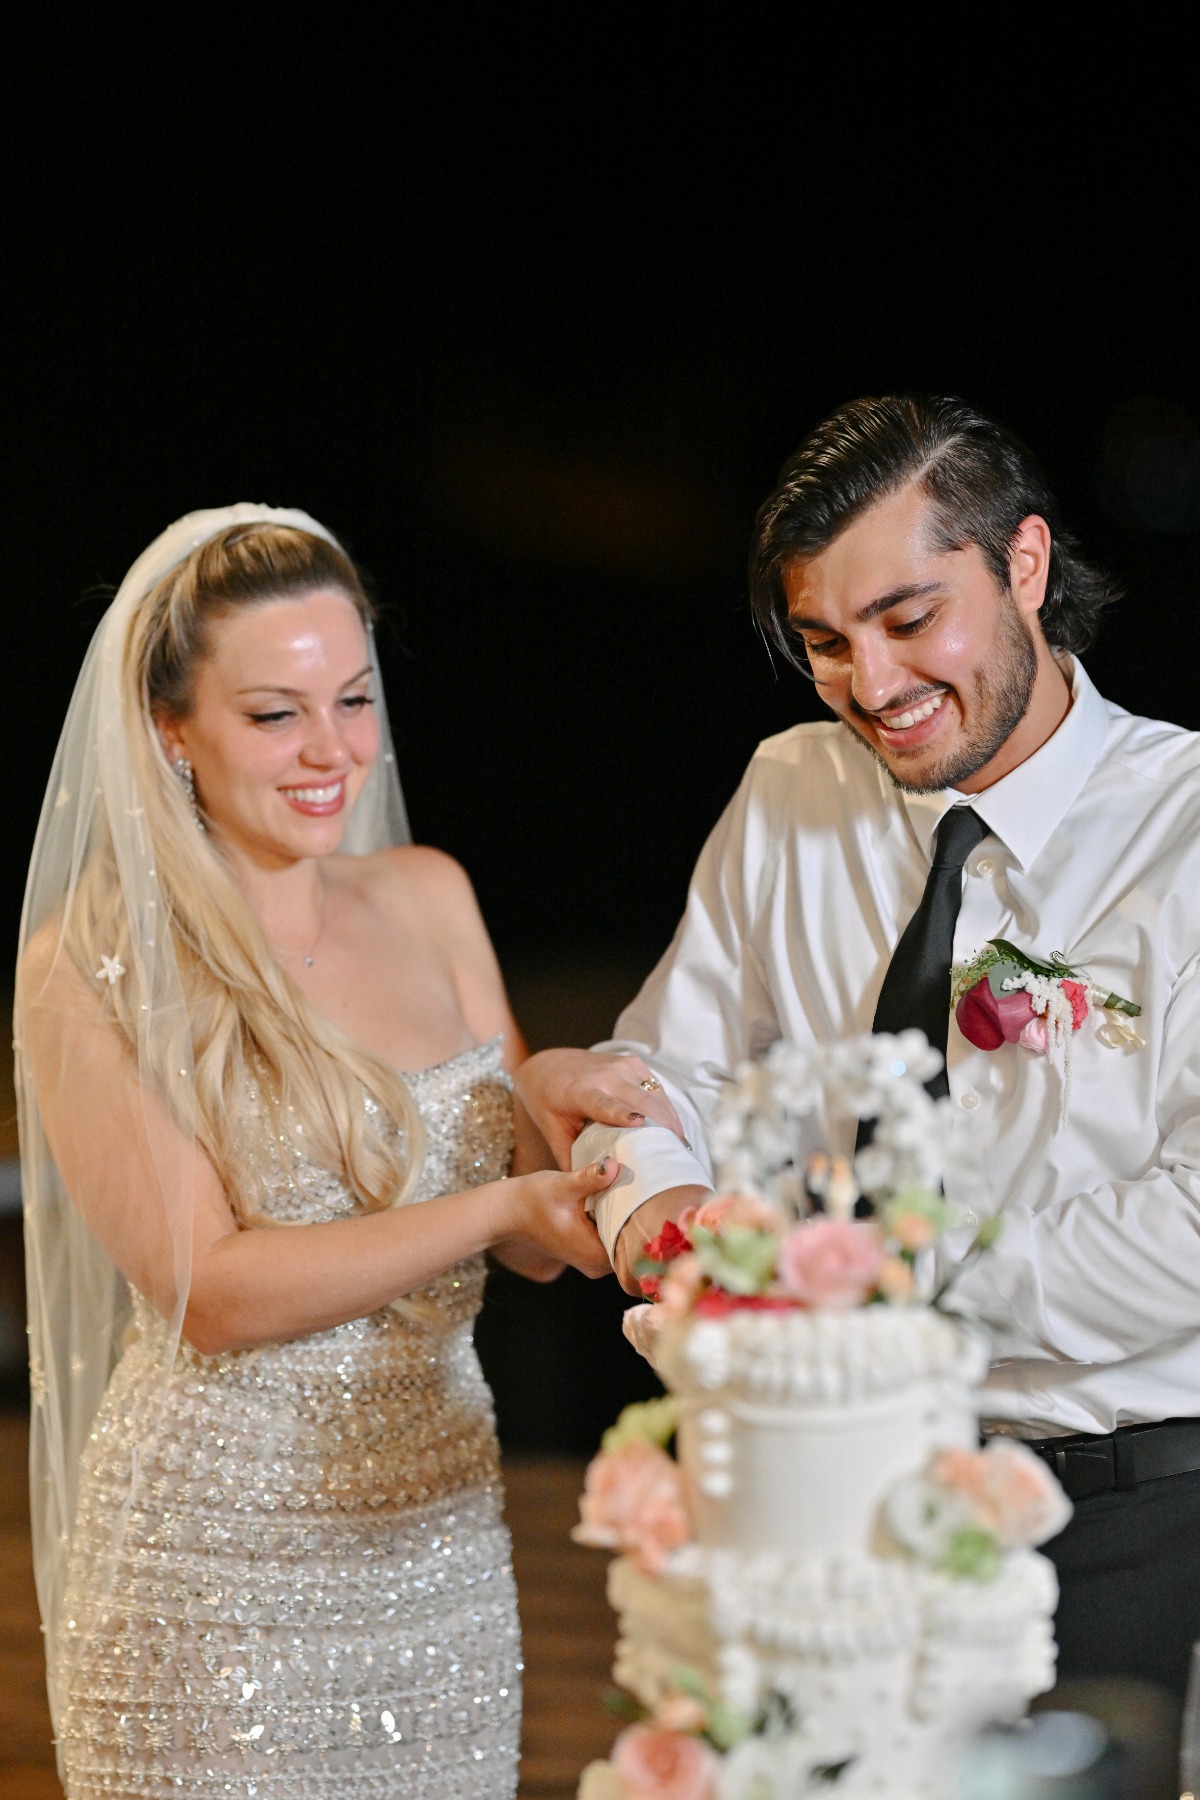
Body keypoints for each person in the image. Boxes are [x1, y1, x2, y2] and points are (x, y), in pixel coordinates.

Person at [517, 396, 1200, 1702]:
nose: (872, 688)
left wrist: (866, 1285)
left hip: (1137, 1530)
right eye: (825, 643)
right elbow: (655, 1078)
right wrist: (658, 1204)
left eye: (908, 620)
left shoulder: (1186, 829)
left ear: (1026, 566)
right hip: (825, 1518)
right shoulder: (792, 792)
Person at [15, 505, 615, 1796]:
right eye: (274, 713)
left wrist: (569, 1106)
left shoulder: (429, 894)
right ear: (169, 729)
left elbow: (532, 1245)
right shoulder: (90, 966)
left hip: (438, 1545)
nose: (332, 751)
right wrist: (504, 1194)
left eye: (351, 699)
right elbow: (210, 1294)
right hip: (215, 1563)